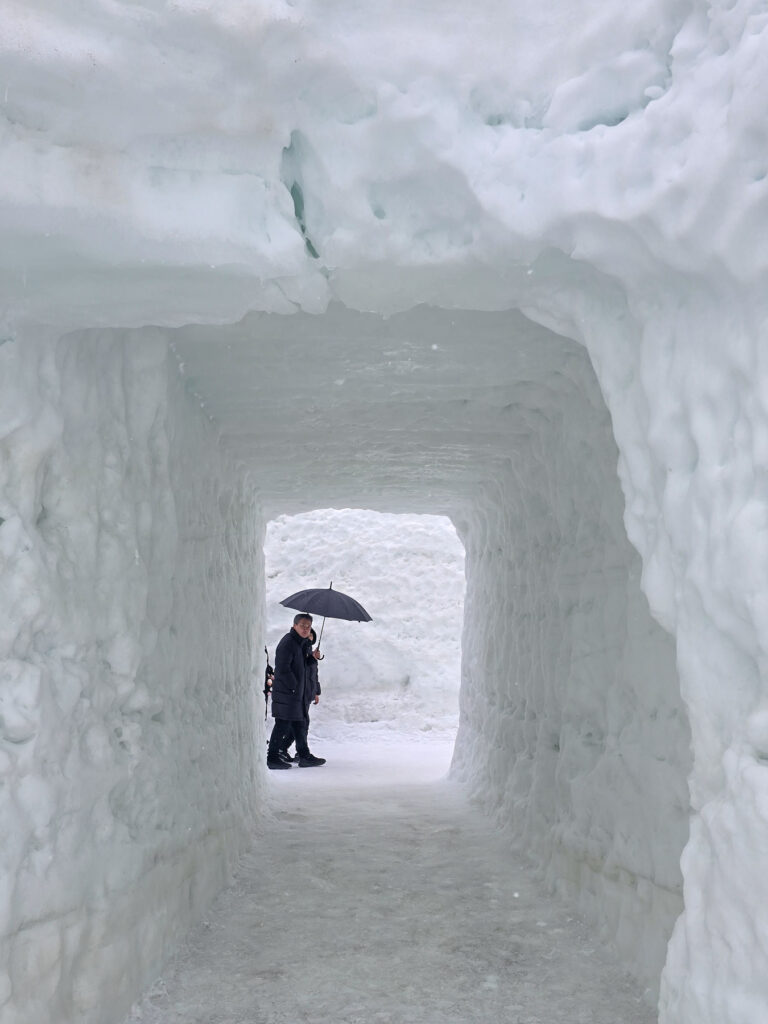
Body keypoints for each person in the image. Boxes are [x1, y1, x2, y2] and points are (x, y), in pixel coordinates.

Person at [267, 613, 325, 769]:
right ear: (295, 626)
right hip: (288, 693)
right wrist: (294, 686)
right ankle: (272, 758)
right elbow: (283, 669)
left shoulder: (300, 643)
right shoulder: (288, 643)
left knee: (299, 724)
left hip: (295, 694)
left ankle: (304, 756)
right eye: (302, 625)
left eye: (308, 626)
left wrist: (312, 658)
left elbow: (303, 667)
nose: (306, 629)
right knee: (282, 725)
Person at [280, 626, 322, 762]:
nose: (309, 640)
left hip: (307, 693)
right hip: (299, 693)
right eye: (307, 638)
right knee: (299, 724)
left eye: (311, 638)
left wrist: (316, 691)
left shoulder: (309, 652)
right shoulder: (301, 652)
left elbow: (314, 675)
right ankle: (291, 749)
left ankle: (293, 750)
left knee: (301, 724)